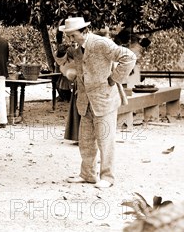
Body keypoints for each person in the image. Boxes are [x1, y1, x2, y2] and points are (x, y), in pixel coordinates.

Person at [55, 17, 136, 189]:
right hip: (85, 101)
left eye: (72, 35)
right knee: (86, 140)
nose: (70, 39)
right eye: (68, 36)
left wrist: (115, 78)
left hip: (104, 99)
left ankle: (107, 177)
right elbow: (63, 63)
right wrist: (61, 53)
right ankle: (87, 174)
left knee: (105, 140)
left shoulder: (101, 44)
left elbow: (129, 57)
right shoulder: (76, 48)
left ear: (84, 31)